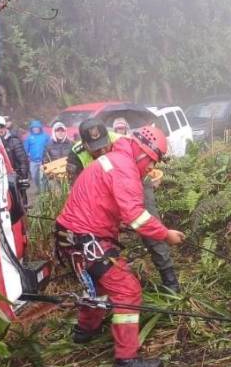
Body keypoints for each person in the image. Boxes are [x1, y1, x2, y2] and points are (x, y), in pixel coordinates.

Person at [55, 126, 185, 367]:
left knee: (101, 286)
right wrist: (165, 235)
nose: (150, 168)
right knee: (127, 291)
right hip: (86, 239)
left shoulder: (115, 160)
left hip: (72, 236)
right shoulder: (124, 167)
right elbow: (136, 215)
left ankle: (85, 331)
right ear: (142, 153)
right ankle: (126, 359)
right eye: (152, 161)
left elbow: (113, 206)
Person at [67, 118, 180, 291]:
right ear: (85, 145)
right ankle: (105, 270)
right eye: (96, 148)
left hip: (133, 178)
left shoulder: (120, 141)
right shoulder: (76, 155)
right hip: (101, 188)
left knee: (147, 220)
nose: (103, 150)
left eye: (105, 145)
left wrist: (163, 234)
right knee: (100, 231)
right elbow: (77, 191)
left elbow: (137, 214)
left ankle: (169, 278)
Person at [0, 115, 30, 205]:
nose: (0, 130)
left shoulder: (14, 141)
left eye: (1, 127)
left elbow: (23, 160)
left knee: (20, 204)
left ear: (5, 127)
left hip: (15, 178)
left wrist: (23, 177)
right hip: (0, 178)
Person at [43, 122, 74, 188]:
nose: (60, 133)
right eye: (57, 131)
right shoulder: (48, 146)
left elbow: (74, 160)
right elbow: (45, 162)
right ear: (54, 132)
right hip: (54, 177)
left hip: (69, 175)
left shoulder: (71, 144)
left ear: (65, 132)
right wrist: (49, 174)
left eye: (62, 130)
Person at [24, 119, 50, 193]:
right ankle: (39, 189)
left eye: (37, 127)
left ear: (40, 128)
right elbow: (26, 149)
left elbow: (50, 146)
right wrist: (27, 156)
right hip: (33, 161)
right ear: (32, 128)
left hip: (43, 161)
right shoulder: (29, 138)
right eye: (34, 128)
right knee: (34, 176)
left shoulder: (45, 136)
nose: (35, 129)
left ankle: (44, 191)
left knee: (43, 177)